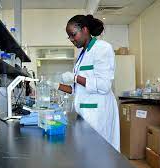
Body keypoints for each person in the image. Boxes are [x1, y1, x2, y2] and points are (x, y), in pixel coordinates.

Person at [48, 14, 120, 152]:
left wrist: (74, 77)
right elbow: (78, 89)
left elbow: (104, 86)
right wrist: (55, 85)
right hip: (85, 112)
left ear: (85, 30)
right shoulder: (82, 55)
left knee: (100, 155)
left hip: (98, 113)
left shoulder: (102, 48)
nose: (71, 39)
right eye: (69, 36)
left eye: (73, 35)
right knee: (88, 156)